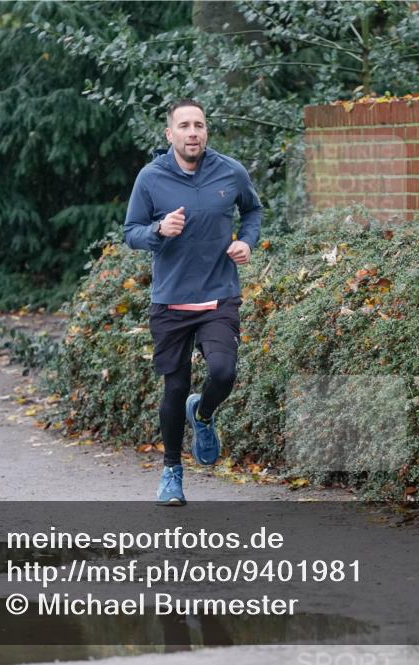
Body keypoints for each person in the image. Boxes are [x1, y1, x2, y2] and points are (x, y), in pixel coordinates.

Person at [124, 99, 262, 506]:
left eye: (199, 124)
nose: (193, 132)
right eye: (184, 125)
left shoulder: (230, 171)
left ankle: (202, 414)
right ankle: (171, 473)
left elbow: (252, 211)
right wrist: (158, 230)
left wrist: (246, 242)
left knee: (223, 372)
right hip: (170, 301)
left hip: (218, 294)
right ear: (170, 134)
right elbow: (131, 231)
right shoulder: (151, 178)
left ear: (206, 131)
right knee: (175, 385)